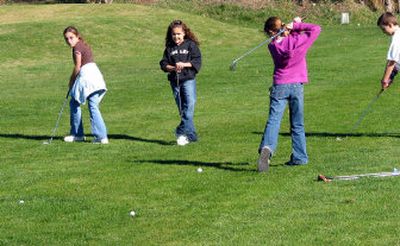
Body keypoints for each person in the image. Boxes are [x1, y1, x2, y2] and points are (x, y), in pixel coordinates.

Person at [258, 16, 321, 172]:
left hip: (280, 85)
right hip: (296, 85)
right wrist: (298, 25)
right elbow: (316, 29)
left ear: (271, 32)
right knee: (297, 123)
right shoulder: (297, 39)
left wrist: (290, 28)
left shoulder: (272, 46)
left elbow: (284, 42)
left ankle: (267, 148)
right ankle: (299, 157)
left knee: (273, 120)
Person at [63, 26, 109, 144]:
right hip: (95, 75)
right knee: (91, 104)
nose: (69, 41)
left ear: (77, 36)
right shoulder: (82, 44)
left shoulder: (77, 47)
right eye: (66, 39)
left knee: (75, 102)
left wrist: (71, 81)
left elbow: (78, 66)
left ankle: (79, 134)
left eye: (71, 38)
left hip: (87, 75)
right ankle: (101, 137)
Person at [159, 20, 202, 146]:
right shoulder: (169, 48)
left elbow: (197, 61)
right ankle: (191, 136)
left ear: (184, 33)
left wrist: (184, 64)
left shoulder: (191, 45)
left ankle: (180, 130)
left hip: (188, 79)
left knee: (190, 105)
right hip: (175, 81)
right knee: (183, 110)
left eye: (178, 34)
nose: (176, 37)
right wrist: (172, 68)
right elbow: (163, 64)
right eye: (173, 34)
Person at [377, 12, 400, 90]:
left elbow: (392, 62)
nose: (383, 32)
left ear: (390, 25)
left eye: (384, 29)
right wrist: (391, 75)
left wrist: (385, 80)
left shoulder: (396, 39)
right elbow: (397, 63)